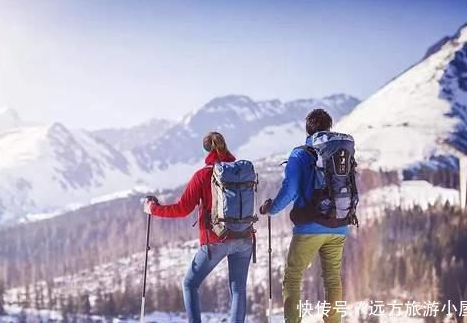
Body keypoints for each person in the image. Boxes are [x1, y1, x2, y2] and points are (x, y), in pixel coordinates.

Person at [143, 132, 253, 323]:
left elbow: (182, 208)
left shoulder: (202, 175)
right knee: (238, 290)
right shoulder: (241, 171)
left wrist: (153, 209)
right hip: (244, 237)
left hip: (216, 240)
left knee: (190, 284)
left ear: (206, 150)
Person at [260, 109, 351, 323]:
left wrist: (271, 209)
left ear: (307, 128)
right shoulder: (341, 153)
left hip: (310, 226)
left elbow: (290, 189)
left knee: (293, 278)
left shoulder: (300, 154)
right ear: (329, 127)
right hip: (338, 225)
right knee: (332, 280)